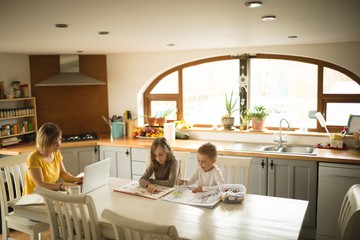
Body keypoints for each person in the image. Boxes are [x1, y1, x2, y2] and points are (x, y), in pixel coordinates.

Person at [23, 123, 83, 195]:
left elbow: (63, 173)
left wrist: (77, 179)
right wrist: (62, 185)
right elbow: (40, 184)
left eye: (59, 140)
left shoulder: (55, 153)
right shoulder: (33, 158)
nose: (59, 144)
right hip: (34, 197)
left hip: (50, 194)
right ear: (44, 143)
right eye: (54, 142)